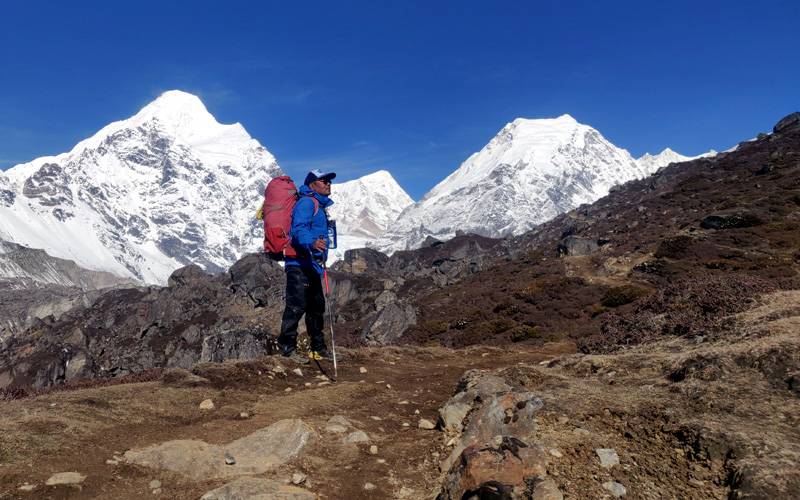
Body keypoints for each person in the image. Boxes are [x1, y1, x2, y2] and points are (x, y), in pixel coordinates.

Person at [277, 169, 341, 364]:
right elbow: (299, 228)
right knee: (296, 307)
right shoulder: (307, 202)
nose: (328, 184)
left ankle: (318, 349)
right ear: (312, 185)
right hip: (299, 264)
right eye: (324, 181)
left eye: (329, 181)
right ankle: (287, 350)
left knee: (316, 307)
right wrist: (312, 243)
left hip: (312, 264)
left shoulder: (318, 205)